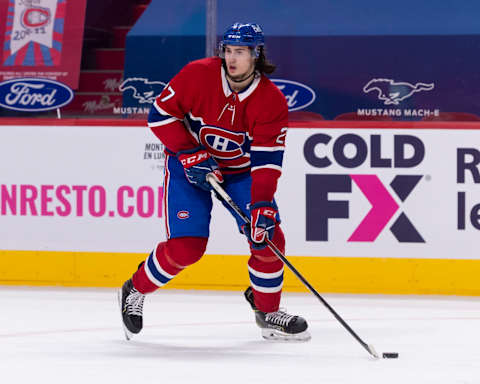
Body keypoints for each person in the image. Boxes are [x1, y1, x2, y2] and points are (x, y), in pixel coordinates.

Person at [118, 22, 310, 342]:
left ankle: (267, 311)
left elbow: (266, 161)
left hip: (240, 175)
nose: (232, 59)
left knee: (268, 237)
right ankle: (134, 290)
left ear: (256, 55)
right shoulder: (198, 74)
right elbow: (160, 116)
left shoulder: (271, 100)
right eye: (229, 51)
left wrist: (262, 204)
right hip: (188, 168)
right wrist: (190, 153)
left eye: (240, 52)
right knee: (187, 249)